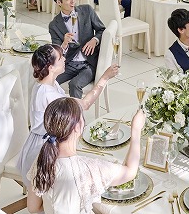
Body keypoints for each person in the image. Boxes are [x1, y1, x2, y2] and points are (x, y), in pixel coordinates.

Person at [16, 45, 119, 178]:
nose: (65, 59)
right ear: (51, 67)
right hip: (42, 152)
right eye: (60, 58)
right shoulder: (47, 93)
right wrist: (105, 77)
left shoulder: (48, 83)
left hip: (43, 142)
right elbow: (85, 104)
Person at [47, 0, 105, 98]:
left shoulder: (87, 10)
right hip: (68, 64)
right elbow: (56, 53)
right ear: (59, 2)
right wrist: (64, 44)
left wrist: (94, 40)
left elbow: (102, 30)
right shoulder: (54, 25)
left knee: (74, 85)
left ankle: (76, 111)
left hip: (89, 63)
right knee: (48, 81)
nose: (73, 1)